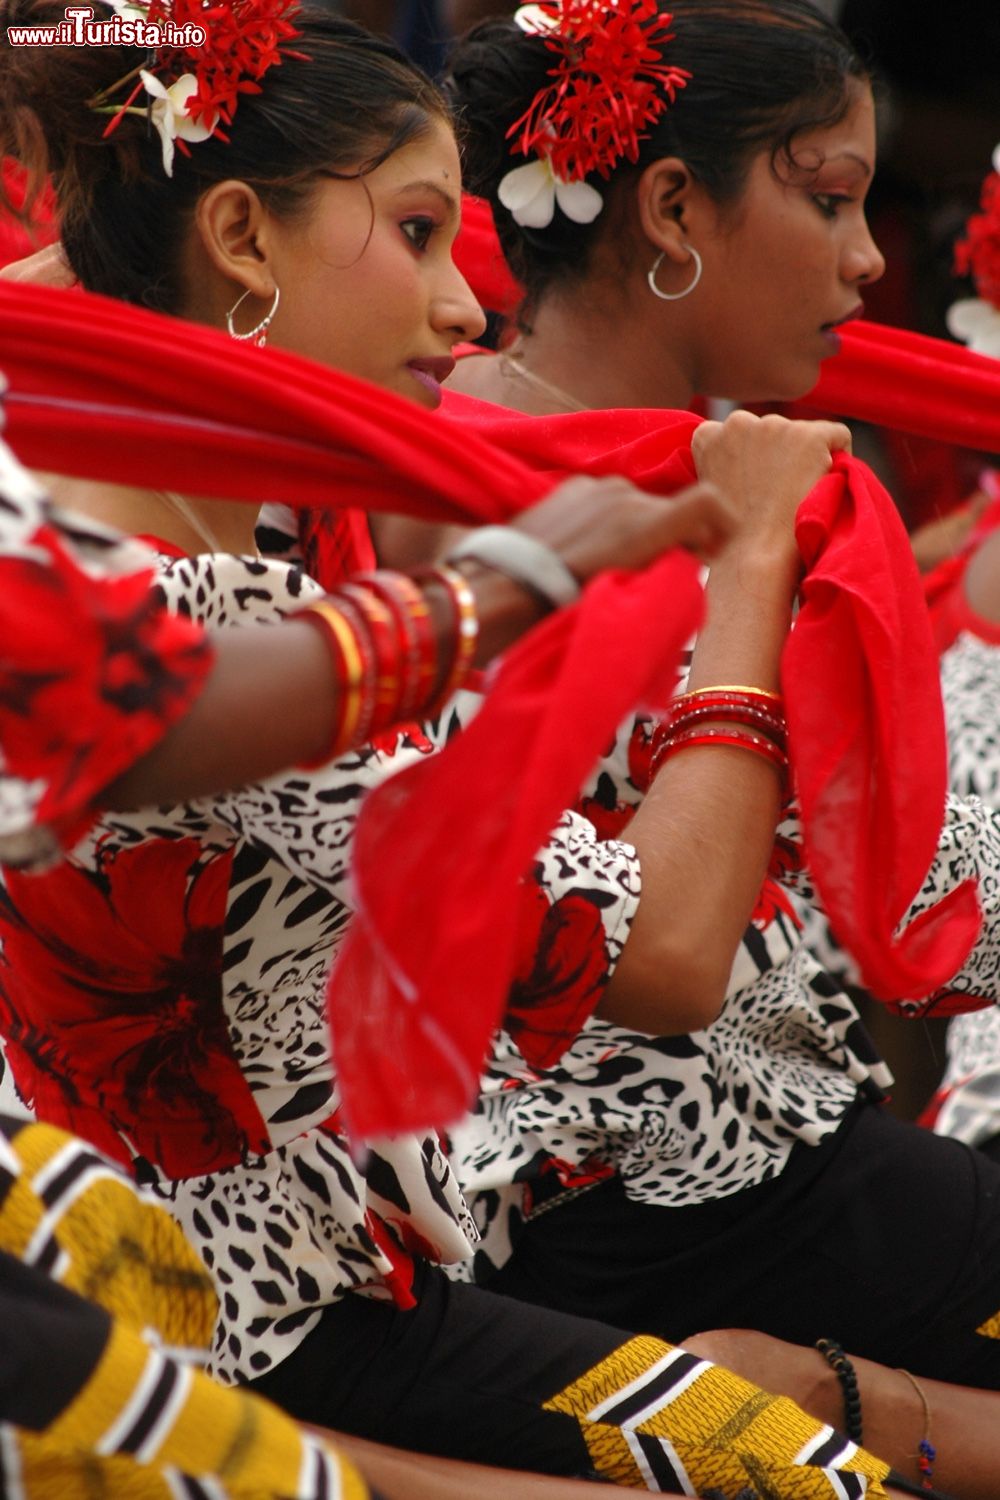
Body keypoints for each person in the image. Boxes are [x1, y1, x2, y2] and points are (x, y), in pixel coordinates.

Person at [0, 5, 930, 1496]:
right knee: (815, 1473)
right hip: (261, 1330)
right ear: (240, 235)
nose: (462, 305)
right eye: (422, 235)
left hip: (318, 1287)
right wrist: (753, 554)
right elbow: (667, 955)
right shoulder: (207, 601)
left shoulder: (243, 532)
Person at [420, 0, 1000, 1425]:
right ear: (672, 207)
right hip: (673, 1183)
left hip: (701, 1170)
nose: (872, 259)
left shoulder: (459, 445)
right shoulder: (599, 512)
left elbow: (895, 875)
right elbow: (897, 887)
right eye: (831, 199)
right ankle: (818, 1398)